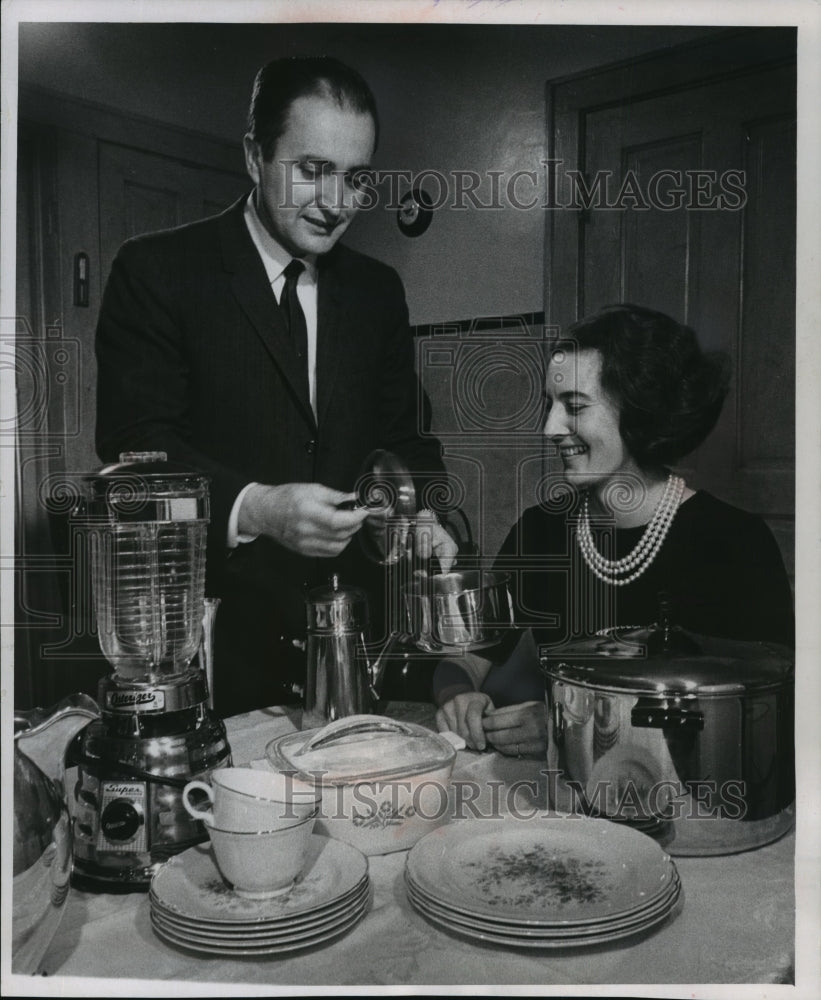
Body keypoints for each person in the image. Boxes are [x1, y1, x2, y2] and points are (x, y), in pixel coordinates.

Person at [95, 56, 455, 716]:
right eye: (312, 170)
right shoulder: (157, 272)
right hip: (214, 653)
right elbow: (135, 456)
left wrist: (423, 514)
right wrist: (257, 508)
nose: (336, 204)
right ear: (254, 156)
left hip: (354, 656)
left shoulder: (378, 293)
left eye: (355, 178)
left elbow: (404, 439)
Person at [434, 303, 794, 756]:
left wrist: (569, 726)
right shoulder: (539, 532)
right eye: (550, 404)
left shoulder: (736, 543)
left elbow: (760, 718)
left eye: (575, 406)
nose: (549, 428)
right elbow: (463, 658)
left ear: (639, 411)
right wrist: (457, 697)